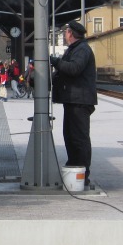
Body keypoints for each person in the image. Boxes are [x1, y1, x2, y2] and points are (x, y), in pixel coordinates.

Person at [50, 20, 97, 186]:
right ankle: (74, 167)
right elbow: (64, 73)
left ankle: (82, 173)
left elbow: (74, 69)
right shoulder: (74, 49)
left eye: (66, 32)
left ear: (70, 34)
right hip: (72, 100)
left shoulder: (82, 50)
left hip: (80, 101)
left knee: (79, 138)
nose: (64, 34)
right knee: (70, 136)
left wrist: (56, 62)